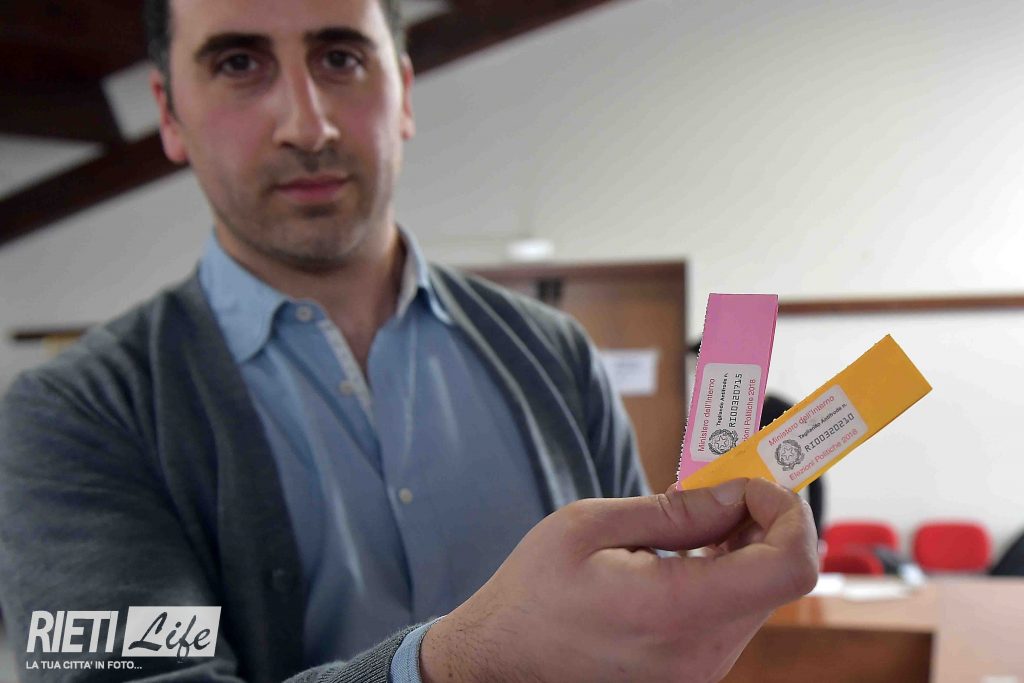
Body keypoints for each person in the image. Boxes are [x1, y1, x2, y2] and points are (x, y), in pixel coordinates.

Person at [0, 0, 819, 681]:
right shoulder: (72, 416)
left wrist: (692, 602)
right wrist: (454, 662)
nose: (306, 124)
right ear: (169, 112)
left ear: (405, 93)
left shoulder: (555, 356)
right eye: (239, 63)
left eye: (341, 58)